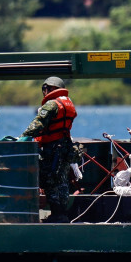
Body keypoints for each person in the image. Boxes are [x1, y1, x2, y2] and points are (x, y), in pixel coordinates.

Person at [19, 76, 77, 223]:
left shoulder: (52, 104)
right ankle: (62, 214)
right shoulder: (68, 103)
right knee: (62, 180)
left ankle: (56, 214)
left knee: (49, 179)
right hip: (65, 147)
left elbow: (37, 124)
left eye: (45, 89)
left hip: (52, 148)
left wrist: (23, 137)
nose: (44, 92)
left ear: (50, 88)